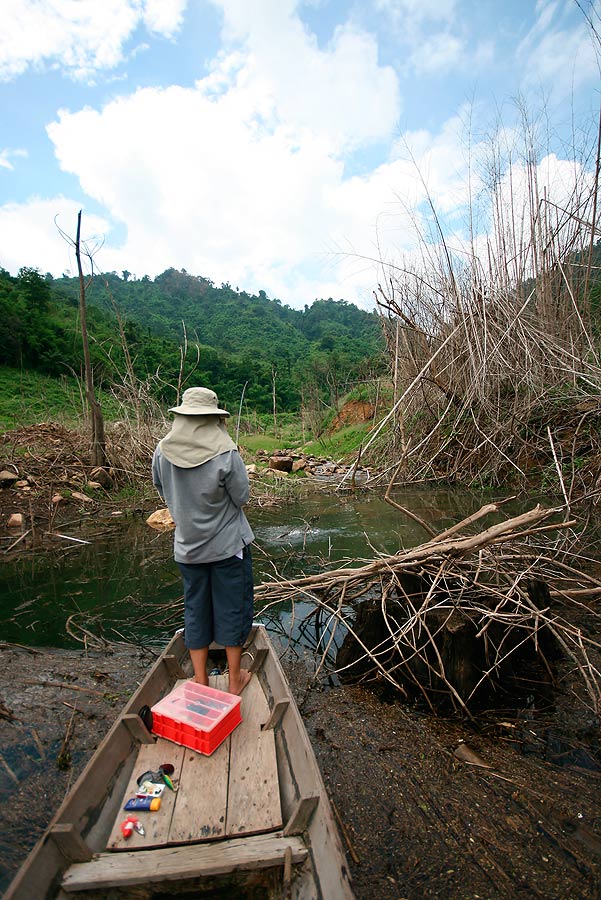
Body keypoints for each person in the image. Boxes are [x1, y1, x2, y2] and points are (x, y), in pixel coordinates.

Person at [152, 386, 254, 695]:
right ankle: (234, 680)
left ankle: (200, 680)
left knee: (195, 612)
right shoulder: (226, 451)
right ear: (213, 418)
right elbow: (242, 496)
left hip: (188, 550)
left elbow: (160, 486)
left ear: (182, 415)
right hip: (227, 548)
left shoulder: (162, 450)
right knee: (232, 609)